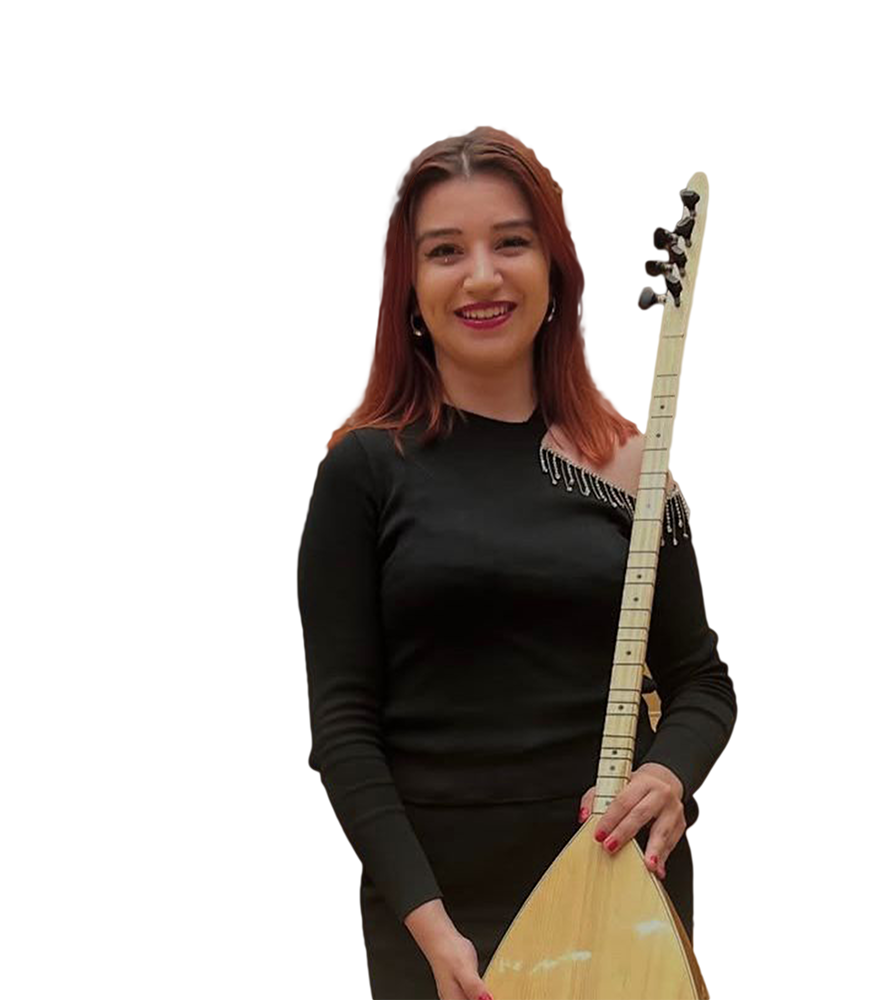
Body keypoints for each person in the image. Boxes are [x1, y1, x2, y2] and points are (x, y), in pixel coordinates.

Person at [301, 132, 734, 1000]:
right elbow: (341, 720)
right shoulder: (364, 468)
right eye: (445, 251)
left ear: (552, 272)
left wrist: (669, 771)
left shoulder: (630, 464)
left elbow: (704, 680)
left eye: (511, 242)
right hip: (438, 929)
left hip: (618, 906)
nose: (482, 276)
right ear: (411, 289)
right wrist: (430, 927)